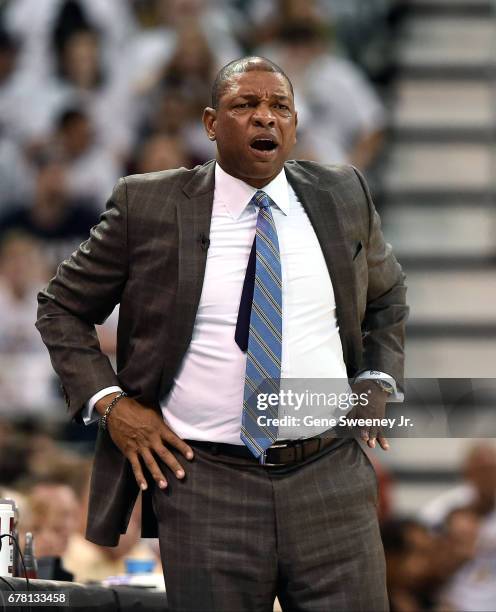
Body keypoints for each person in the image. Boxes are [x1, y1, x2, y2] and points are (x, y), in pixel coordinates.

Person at [36, 56, 407, 611]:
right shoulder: (150, 205)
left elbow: (386, 295)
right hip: (205, 482)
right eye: (246, 105)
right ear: (211, 123)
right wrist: (111, 404)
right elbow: (60, 306)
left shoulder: (343, 193)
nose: (266, 118)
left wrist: (378, 374)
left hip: (331, 477)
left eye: (280, 106)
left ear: (296, 123)